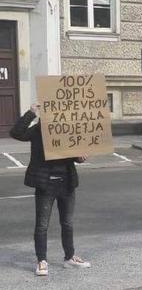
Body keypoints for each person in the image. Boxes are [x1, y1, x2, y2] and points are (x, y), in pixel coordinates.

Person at [10, 104, 91, 276]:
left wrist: (80, 157)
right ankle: (42, 261)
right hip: (45, 185)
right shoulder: (38, 131)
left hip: (67, 184)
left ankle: (69, 258)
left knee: (67, 223)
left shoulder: (69, 130)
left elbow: (75, 155)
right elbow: (16, 133)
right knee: (42, 225)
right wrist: (31, 112)